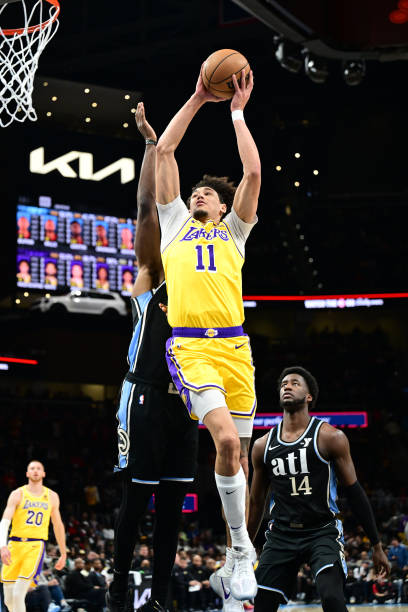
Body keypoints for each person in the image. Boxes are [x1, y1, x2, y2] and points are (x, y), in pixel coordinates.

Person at [155, 65, 261, 606]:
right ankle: (241, 546)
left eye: (206, 193)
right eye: (194, 192)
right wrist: (199, 97)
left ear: (221, 206)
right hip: (192, 344)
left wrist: (237, 114)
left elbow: (254, 175)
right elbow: (166, 154)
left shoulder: (235, 231)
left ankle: (233, 555)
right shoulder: (173, 223)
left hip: (236, 348)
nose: (197, 194)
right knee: (223, 440)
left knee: (236, 457)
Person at [106, 102, 198, 612]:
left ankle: (160, 599)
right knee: (135, 503)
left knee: (171, 514)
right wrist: (149, 145)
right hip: (141, 394)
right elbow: (146, 209)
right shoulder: (154, 279)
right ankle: (119, 582)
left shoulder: (201, 284)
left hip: (184, 404)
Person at [247, 366, 390, 612]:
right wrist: (245, 547)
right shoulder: (262, 445)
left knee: (332, 599)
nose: (287, 386)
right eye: (283, 384)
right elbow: (257, 501)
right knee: (262, 605)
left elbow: (354, 493)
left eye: (294, 383)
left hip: (321, 531)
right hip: (281, 533)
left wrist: (376, 545)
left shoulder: (330, 437)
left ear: (309, 396)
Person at [0, 461, 67, 612]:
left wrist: (63, 553)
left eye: (39, 469)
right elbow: (4, 521)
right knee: (9, 600)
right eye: (32, 468)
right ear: (27, 473)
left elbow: (58, 525)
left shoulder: (51, 496)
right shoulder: (17, 494)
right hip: (14, 546)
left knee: (18, 594)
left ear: (43, 474)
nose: (35, 471)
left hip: (35, 546)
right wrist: (2, 546)